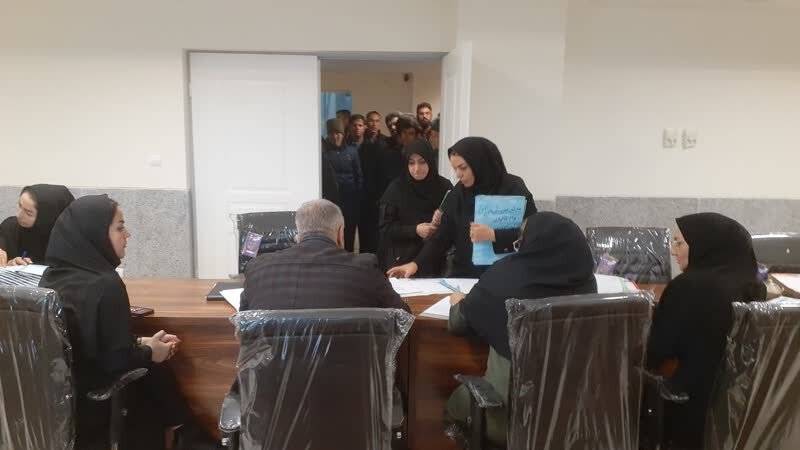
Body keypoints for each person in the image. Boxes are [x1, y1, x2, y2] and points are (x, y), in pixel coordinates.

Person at [40, 195, 194, 450]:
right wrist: (151, 352)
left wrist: (139, 341)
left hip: (56, 406)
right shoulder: (106, 284)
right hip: (95, 408)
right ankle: (187, 435)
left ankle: (186, 432)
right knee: (157, 375)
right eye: (120, 227)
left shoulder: (51, 277)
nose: (128, 234)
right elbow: (116, 362)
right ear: (96, 233)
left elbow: (81, 342)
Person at [444, 212, 598, 447]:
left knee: (455, 403)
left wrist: (459, 301)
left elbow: (457, 323)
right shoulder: (587, 284)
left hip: (508, 420)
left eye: (520, 242)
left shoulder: (505, 277)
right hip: (576, 420)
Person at [645, 212, 766, 449]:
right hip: (742, 416)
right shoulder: (755, 288)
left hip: (689, 415)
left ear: (703, 246)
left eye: (679, 243)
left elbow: (655, 354)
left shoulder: (686, 287)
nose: (673, 252)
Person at [387, 137, 537, 278]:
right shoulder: (459, 192)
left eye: (463, 168)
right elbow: (442, 236)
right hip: (465, 275)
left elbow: (534, 233)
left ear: (479, 164)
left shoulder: (513, 188)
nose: (458, 175)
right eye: (455, 169)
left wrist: (494, 235)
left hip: (506, 275)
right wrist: (416, 264)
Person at [240, 199, 410, 313]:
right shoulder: (365, 268)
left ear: (298, 236)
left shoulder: (257, 269)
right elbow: (403, 316)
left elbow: (244, 322)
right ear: (341, 233)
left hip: (273, 359)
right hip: (348, 359)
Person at [378, 140, 452, 273]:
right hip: (402, 259)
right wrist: (415, 230)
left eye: (422, 162)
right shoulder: (396, 189)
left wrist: (438, 226)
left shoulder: (444, 187)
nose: (417, 169)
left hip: (436, 259)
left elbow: (453, 223)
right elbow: (386, 229)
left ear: (430, 161)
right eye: (411, 163)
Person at [0, 184, 74, 266]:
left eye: (28, 213)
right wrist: (9, 263)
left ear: (47, 218)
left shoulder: (69, 241)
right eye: (20, 205)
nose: (18, 215)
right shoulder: (10, 227)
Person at [322, 118, 362, 252]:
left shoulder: (352, 151)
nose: (335, 136)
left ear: (343, 134)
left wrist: (357, 196)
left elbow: (358, 175)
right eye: (332, 133)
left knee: (349, 231)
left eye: (338, 133)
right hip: (331, 200)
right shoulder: (323, 153)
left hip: (350, 200)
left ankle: (349, 256)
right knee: (331, 232)